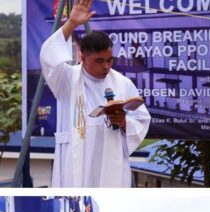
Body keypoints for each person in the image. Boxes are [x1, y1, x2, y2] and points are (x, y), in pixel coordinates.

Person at [39, 0, 150, 187]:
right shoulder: (67, 78)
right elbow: (48, 57)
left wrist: (124, 122)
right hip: (75, 159)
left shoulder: (123, 83)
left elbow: (141, 119)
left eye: (109, 60)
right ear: (83, 57)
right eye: (99, 61)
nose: (106, 66)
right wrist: (71, 24)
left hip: (110, 157)